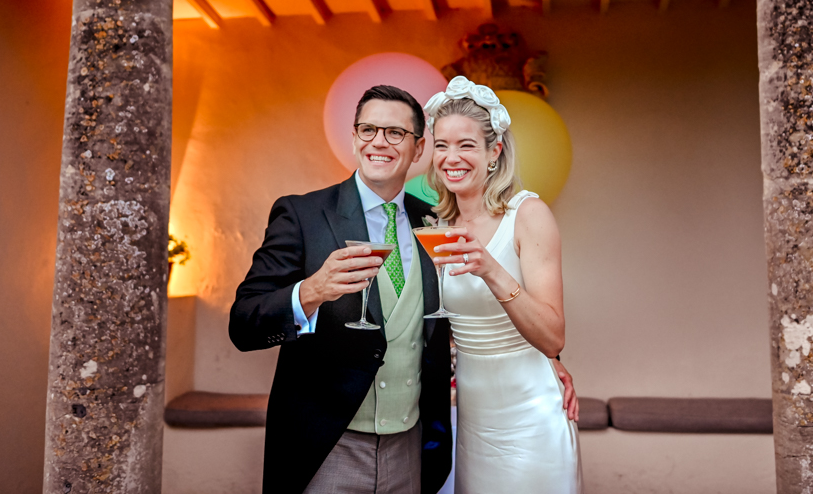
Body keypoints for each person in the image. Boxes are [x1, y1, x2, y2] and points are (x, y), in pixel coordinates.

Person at [228, 84, 577, 494]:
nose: (380, 141)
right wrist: (312, 290)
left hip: (412, 446)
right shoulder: (302, 214)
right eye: (368, 129)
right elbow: (244, 323)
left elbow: (448, 319)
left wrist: (547, 359)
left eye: (395, 133)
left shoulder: (434, 222)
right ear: (354, 138)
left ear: (416, 149)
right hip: (328, 444)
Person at [423, 76, 583, 493]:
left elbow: (552, 336)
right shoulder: (438, 225)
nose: (450, 157)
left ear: (494, 151)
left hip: (530, 416)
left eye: (466, 145)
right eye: (441, 145)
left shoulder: (527, 214)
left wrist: (491, 269)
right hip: (473, 420)